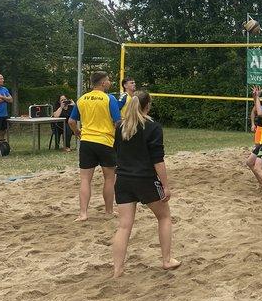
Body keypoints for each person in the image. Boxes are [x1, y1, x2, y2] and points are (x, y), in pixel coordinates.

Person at [112, 90, 180, 278]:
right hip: (145, 179)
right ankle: (166, 260)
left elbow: (117, 153)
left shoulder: (121, 127)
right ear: (148, 105)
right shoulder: (153, 127)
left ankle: (117, 270)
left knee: (124, 226)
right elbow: (158, 160)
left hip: (123, 179)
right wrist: (165, 186)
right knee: (164, 217)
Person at [68, 71, 121, 220]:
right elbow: (118, 122)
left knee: (85, 179)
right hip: (105, 141)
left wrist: (77, 132)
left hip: (87, 142)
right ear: (103, 83)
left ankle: (83, 213)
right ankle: (108, 211)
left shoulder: (82, 99)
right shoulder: (109, 98)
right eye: (108, 80)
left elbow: (71, 121)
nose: (110, 82)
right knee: (109, 178)